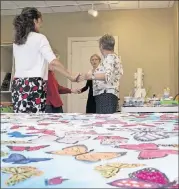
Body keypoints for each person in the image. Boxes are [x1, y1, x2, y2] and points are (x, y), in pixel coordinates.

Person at [12, 7, 78, 113]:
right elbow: (53, 62)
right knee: (36, 120)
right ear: (35, 20)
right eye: (40, 22)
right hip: (34, 84)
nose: (40, 24)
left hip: (18, 84)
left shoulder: (17, 41)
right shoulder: (40, 38)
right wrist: (70, 75)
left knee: (21, 120)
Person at [81, 34, 123, 114]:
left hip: (106, 96)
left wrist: (90, 76)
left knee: (104, 122)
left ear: (101, 45)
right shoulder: (114, 57)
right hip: (108, 96)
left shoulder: (109, 58)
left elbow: (107, 75)